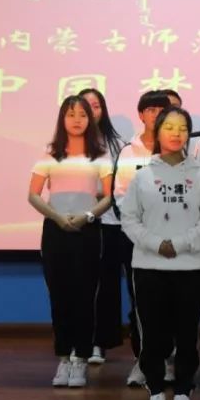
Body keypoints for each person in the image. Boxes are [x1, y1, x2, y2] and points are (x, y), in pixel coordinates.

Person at [119, 107, 200, 400]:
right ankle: (156, 393)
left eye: (182, 127)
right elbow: (129, 219)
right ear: (157, 132)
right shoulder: (143, 175)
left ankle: (183, 393)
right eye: (169, 127)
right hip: (149, 266)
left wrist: (180, 244)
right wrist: (157, 244)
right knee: (153, 336)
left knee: (187, 335)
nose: (176, 133)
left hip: (190, 267)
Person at [27, 96, 113, 389]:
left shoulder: (100, 157)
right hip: (55, 231)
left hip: (87, 231)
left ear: (90, 120)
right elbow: (33, 194)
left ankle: (81, 359)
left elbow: (109, 196)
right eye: (70, 114)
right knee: (59, 295)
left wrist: (87, 216)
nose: (77, 120)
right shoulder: (50, 155)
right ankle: (64, 357)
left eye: (82, 115)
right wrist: (57, 217)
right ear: (62, 119)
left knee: (85, 296)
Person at [113, 90, 173, 387]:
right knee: (141, 302)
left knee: (170, 302)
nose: (155, 114)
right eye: (150, 110)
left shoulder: (180, 149)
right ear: (141, 114)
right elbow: (120, 196)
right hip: (138, 240)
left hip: (173, 241)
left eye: (161, 109)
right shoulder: (129, 152)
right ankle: (143, 360)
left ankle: (168, 359)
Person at [79, 88, 128, 367]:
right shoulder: (70, 145)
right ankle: (83, 341)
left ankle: (101, 342)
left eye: (96, 105)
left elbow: (123, 183)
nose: (90, 110)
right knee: (84, 286)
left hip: (112, 222)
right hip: (80, 223)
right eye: (85, 106)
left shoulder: (118, 144)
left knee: (108, 286)